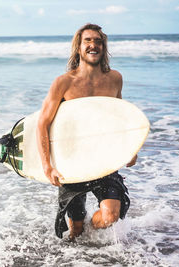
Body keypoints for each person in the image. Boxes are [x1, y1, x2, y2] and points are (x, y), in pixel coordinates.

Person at [37, 23, 137, 240]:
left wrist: (131, 147)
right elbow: (42, 123)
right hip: (71, 161)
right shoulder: (64, 82)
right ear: (79, 48)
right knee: (75, 233)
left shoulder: (115, 79)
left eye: (98, 41)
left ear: (104, 46)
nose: (94, 45)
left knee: (111, 216)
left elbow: (119, 116)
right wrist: (47, 166)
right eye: (88, 41)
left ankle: (92, 229)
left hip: (103, 158)